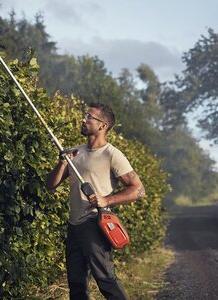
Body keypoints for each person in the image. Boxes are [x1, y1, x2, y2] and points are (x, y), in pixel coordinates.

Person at [45, 103, 145, 300]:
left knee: (105, 280)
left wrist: (106, 199)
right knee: (76, 285)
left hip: (95, 225)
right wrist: (62, 163)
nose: (84, 119)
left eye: (89, 117)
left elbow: (138, 190)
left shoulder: (112, 154)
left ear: (103, 125)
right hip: (74, 225)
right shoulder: (75, 153)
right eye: (85, 115)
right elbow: (50, 184)